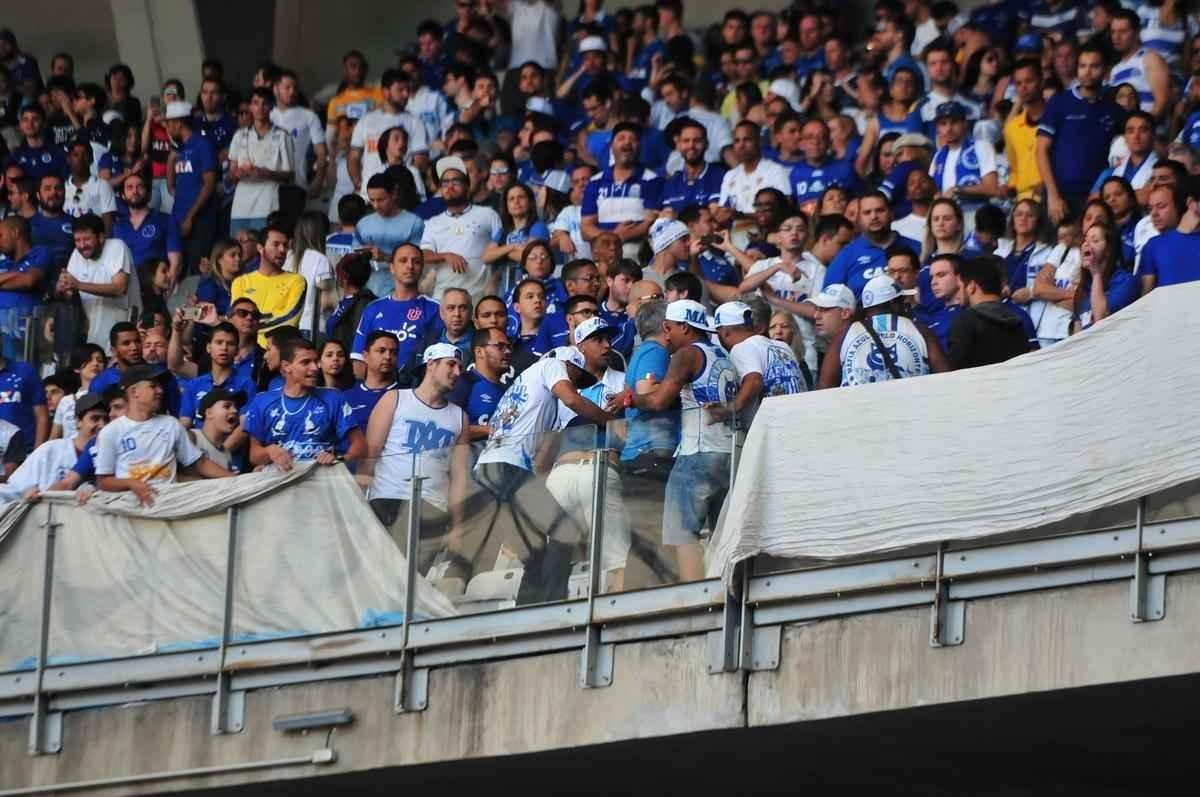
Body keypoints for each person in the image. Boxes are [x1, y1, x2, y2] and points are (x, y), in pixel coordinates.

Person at [474, 344, 615, 604]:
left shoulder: (527, 384)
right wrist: (610, 421)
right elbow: (572, 399)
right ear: (569, 366)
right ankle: (553, 607)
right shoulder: (552, 365)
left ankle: (526, 614)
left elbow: (541, 458)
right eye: (577, 378)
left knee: (536, 553)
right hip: (508, 467)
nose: (576, 386)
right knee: (566, 529)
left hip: (487, 470)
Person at [631, 299, 735, 583]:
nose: (666, 335)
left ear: (685, 327)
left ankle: (695, 598)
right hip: (728, 453)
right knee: (720, 536)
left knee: (682, 533)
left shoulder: (686, 354)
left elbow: (658, 401)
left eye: (669, 328)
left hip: (697, 453)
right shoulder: (722, 353)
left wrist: (631, 399)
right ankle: (723, 595)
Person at [360, 342, 470, 573]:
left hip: (432, 508)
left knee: (413, 580)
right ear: (431, 364)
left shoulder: (460, 417)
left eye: (460, 367)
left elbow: (459, 477)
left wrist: (457, 527)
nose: (457, 372)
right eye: (451, 364)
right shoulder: (395, 399)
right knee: (380, 575)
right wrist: (359, 501)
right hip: (388, 499)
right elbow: (371, 452)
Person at [94, 365, 233, 505]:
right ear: (134, 391)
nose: (160, 390)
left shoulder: (171, 424)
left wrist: (236, 480)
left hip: (169, 504)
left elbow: (200, 463)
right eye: (153, 386)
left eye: (160, 386)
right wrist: (131, 483)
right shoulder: (110, 432)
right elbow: (103, 482)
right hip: (131, 508)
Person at [242, 337, 365, 468]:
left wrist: (339, 459)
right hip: (280, 477)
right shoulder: (262, 401)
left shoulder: (334, 398)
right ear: (286, 366)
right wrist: (269, 451)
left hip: (322, 477)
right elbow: (254, 456)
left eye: (316, 361)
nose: (315, 368)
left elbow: (360, 445)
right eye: (306, 362)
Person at [1036, 42, 1124, 224]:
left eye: (1094, 66)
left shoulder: (1113, 110)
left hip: (1096, 197)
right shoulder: (1059, 102)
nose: (1087, 72)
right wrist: (1053, 195)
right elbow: (1041, 150)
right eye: (1083, 66)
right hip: (1060, 195)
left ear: (1105, 70)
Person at [818, 273, 950, 388]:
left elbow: (825, 386)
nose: (906, 305)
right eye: (902, 300)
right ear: (894, 303)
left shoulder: (844, 334)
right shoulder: (920, 330)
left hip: (860, 407)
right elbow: (946, 377)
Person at [350, 242, 443, 381]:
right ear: (392, 268)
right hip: (378, 390)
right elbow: (358, 360)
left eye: (416, 262)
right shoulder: (373, 308)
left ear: (422, 268)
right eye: (403, 261)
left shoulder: (436, 309)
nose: (410, 266)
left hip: (416, 390)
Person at [419, 156, 504, 300]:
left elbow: (500, 251)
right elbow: (423, 255)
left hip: (478, 297)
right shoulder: (432, 223)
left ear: (467, 186)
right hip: (443, 298)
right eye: (445, 183)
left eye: (456, 182)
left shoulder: (488, 214)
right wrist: (446, 255)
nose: (450, 187)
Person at [713, 300, 805, 430]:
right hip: (798, 422)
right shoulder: (783, 346)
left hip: (772, 429)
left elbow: (754, 381)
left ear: (725, 332)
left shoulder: (740, 348)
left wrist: (728, 409)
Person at [6, 392, 107, 500]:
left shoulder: (111, 454)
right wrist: (28, 493)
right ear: (78, 421)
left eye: (106, 420)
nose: (102, 425)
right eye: (95, 419)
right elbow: (14, 487)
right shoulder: (50, 449)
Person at [62, 213, 139, 348]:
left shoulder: (117, 246)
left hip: (125, 337)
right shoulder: (76, 254)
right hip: (93, 337)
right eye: (77, 240)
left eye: (87, 239)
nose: (82, 245)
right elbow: (68, 293)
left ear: (101, 237)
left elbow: (119, 288)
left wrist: (78, 285)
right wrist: (61, 288)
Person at [349, 69, 428, 199]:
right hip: (369, 196)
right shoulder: (366, 121)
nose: (406, 94)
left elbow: (421, 160)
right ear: (386, 92)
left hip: (399, 198)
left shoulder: (415, 122)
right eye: (400, 90)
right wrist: (358, 184)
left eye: (407, 89)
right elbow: (353, 157)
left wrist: (404, 186)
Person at [824, 192, 920, 297]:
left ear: (891, 214)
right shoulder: (846, 255)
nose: (874, 216)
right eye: (867, 212)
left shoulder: (916, 248)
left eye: (880, 210)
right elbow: (829, 298)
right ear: (858, 219)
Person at [227, 87, 294, 234]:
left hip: (268, 207)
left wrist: (264, 173)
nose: (260, 108)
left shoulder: (282, 136)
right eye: (256, 103)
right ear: (250, 106)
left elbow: (289, 175)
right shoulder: (239, 135)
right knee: (238, 246)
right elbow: (230, 175)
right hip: (240, 209)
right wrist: (237, 174)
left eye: (265, 103)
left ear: (271, 106)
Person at [948, 257, 1033, 369]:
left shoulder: (964, 322)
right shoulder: (1018, 319)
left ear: (971, 286)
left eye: (959, 287)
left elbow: (956, 371)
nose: (957, 292)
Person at [230, 224, 307, 347]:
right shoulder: (241, 282)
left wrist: (250, 323)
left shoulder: (297, 281)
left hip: (278, 351)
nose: (282, 250)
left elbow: (289, 320)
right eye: (276, 244)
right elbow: (236, 317)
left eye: (285, 245)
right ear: (260, 248)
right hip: (245, 351)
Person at [163, 99, 218, 272]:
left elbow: (209, 184)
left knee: (198, 270)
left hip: (200, 220)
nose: (167, 128)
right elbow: (171, 186)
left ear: (178, 123)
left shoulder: (203, 144)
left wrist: (190, 217)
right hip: (179, 218)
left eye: (169, 123)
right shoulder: (180, 149)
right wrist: (171, 158)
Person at [354, 170, 426, 297]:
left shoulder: (414, 223)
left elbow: (419, 259)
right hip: (368, 291)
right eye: (372, 200)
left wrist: (386, 257)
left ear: (394, 194)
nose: (376, 205)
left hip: (403, 292)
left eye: (381, 200)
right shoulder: (363, 224)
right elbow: (354, 256)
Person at [178, 322, 257, 430]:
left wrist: (221, 443)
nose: (224, 348)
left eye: (230, 344)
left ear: (236, 351)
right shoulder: (193, 385)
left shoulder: (247, 385)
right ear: (208, 348)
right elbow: (185, 423)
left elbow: (244, 427)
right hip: (198, 439)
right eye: (219, 342)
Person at [714, 120, 791, 223]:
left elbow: (785, 209)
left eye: (747, 140)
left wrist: (742, 216)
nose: (741, 145)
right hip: (736, 231)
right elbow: (722, 211)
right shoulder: (730, 176)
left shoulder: (776, 171)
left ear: (759, 142)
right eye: (737, 141)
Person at [112, 171, 182, 284]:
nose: (135, 191)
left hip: (156, 285)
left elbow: (176, 262)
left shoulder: (166, 220)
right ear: (123, 195)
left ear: (148, 194)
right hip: (129, 287)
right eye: (129, 187)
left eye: (140, 187)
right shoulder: (118, 227)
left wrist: (168, 289)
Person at [270, 70, 328, 206]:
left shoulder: (309, 116)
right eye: (287, 87)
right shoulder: (266, 115)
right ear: (275, 89)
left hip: (297, 186)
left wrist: (318, 180)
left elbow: (321, 152)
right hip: (267, 187)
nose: (292, 92)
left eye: (295, 88)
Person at [1073, 223, 1138, 332]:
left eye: (1095, 241)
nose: (1086, 244)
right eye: (1085, 240)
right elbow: (1077, 333)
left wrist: (1096, 273)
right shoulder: (1084, 288)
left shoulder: (1126, 282)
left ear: (1108, 250)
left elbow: (1101, 320)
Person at [283, 211, 335, 336]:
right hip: (311, 327)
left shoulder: (286, 257)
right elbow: (326, 302)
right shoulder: (320, 260)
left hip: (286, 326)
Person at [1004, 58, 1047, 203]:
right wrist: (1011, 186)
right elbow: (1014, 167)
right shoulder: (1012, 127)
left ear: (1041, 82)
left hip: (1051, 197)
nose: (1023, 87)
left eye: (1029, 81)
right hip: (1022, 201)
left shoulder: (1056, 120)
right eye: (1018, 83)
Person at [462, 326, 513, 440]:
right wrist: (489, 430)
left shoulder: (510, 391)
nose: (508, 351)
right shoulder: (462, 383)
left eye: (509, 347)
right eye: (500, 346)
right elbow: (448, 428)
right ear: (479, 352)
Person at [181, 388, 246, 477]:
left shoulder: (227, 454)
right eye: (227, 406)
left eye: (236, 408)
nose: (235, 411)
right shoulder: (192, 437)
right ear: (209, 413)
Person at [344, 330, 399, 431]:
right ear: (365, 356)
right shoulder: (345, 397)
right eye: (381, 351)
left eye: (393, 353)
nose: (388, 357)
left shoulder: (406, 396)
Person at [62, 139, 117, 231]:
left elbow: (108, 227)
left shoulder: (103, 186)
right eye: (76, 155)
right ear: (68, 159)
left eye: (84, 155)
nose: (80, 158)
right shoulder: (62, 188)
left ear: (91, 159)